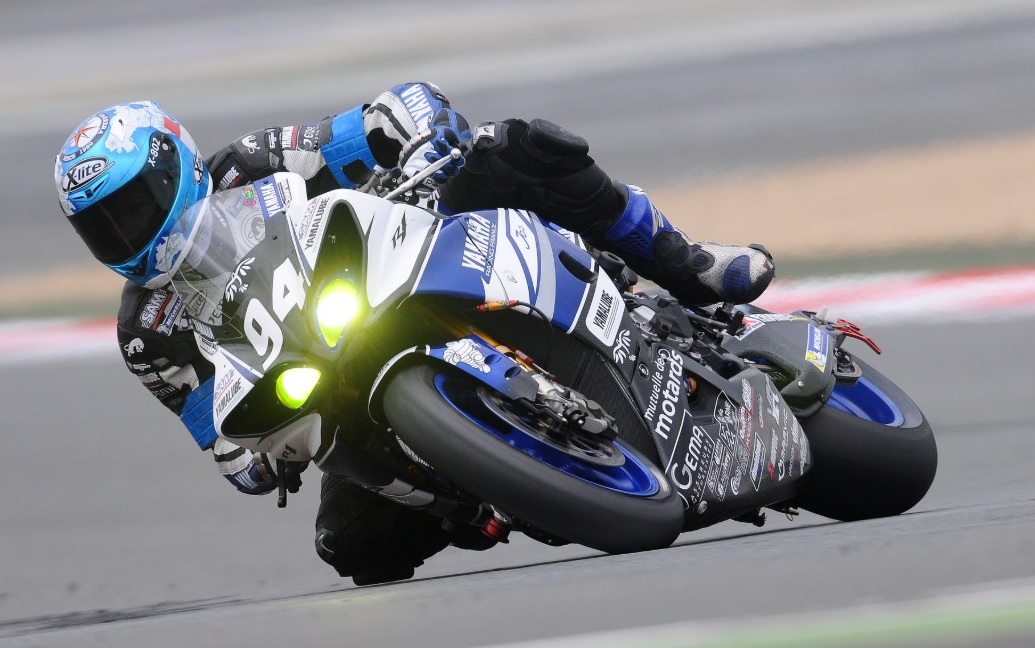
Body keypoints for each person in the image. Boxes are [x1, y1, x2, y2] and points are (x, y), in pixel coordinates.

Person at [54, 83, 774, 585]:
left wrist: (422, 137)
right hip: (334, 391)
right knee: (350, 547)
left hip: (407, 257)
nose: (129, 232)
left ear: (175, 165)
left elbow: (391, 113)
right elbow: (225, 449)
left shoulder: (251, 163)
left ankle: (688, 266)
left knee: (517, 147)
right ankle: (491, 489)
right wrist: (263, 455)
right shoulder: (146, 335)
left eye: (135, 206)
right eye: (105, 228)